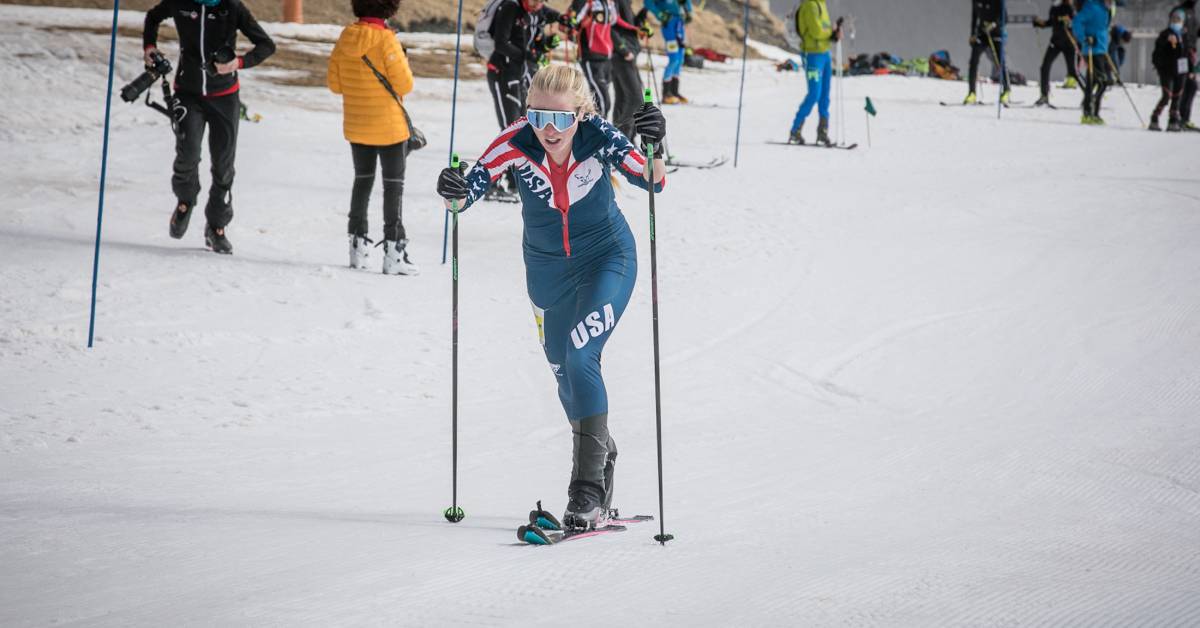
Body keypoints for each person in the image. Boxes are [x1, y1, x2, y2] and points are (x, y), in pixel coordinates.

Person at [435, 65, 667, 529]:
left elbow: (651, 180)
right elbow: (465, 195)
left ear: (580, 114)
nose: (549, 129)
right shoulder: (515, 140)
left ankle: (586, 491)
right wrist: (451, 190)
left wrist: (655, 144)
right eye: (539, 116)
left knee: (581, 356)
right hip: (546, 273)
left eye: (561, 118)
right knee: (564, 373)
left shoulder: (599, 137)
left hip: (607, 259)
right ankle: (602, 452)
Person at [143, 0, 275, 254]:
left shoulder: (232, 7)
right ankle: (185, 201)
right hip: (187, 93)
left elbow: (266, 45)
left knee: (224, 166)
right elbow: (153, 17)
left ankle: (216, 226)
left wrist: (238, 63)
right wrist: (149, 47)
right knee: (188, 154)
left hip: (225, 96)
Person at [327, 0, 418, 274]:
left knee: (362, 182)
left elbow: (335, 84)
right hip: (389, 127)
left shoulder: (346, 37)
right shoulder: (387, 40)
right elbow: (405, 84)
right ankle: (394, 252)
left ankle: (357, 247)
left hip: (357, 124)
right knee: (393, 187)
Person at [485, 0, 565, 200]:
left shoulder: (538, 12)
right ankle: (491, 181)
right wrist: (528, 55)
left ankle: (515, 181)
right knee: (510, 129)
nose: (538, 4)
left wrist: (546, 43)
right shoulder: (510, 8)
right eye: (534, 0)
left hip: (521, 75)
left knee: (524, 127)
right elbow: (501, 43)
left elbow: (551, 21)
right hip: (502, 73)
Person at [568, 0, 635, 118]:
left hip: (606, 57)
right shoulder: (588, 2)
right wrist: (572, 26)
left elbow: (615, 21)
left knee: (599, 100)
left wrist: (636, 30)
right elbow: (571, 21)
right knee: (603, 102)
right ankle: (598, 127)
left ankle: (591, 125)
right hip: (591, 56)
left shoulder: (609, 3)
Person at [788, 0, 841, 145]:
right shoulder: (810, 4)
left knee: (824, 95)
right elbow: (816, 31)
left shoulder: (821, 3)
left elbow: (824, 28)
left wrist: (834, 33)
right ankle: (795, 131)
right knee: (814, 94)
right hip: (812, 55)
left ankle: (822, 133)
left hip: (824, 54)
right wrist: (831, 33)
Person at [610, 0, 648, 141]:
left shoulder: (625, 2)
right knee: (635, 100)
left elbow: (628, 24)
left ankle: (623, 140)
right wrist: (623, 49)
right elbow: (609, 26)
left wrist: (641, 19)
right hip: (621, 55)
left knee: (623, 98)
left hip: (626, 53)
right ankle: (622, 140)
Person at [644, 0, 694, 104]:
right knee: (674, 59)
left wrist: (689, 11)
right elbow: (648, 2)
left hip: (679, 22)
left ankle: (674, 92)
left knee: (680, 59)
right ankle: (666, 93)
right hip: (669, 23)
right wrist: (659, 14)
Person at [965, 0, 1011, 106]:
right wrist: (972, 34)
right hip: (982, 34)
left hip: (996, 34)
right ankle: (972, 93)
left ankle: (1006, 91)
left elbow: (1005, 18)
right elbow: (974, 17)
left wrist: (993, 25)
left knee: (1000, 62)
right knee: (973, 60)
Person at [1033, 0, 1079, 107]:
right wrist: (1040, 23)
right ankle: (1044, 95)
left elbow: (1076, 21)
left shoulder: (1070, 7)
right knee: (1044, 67)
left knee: (1072, 72)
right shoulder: (1054, 7)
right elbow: (1051, 22)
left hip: (1069, 43)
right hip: (1056, 43)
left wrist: (1069, 22)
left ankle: (1089, 95)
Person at [1074, 0, 1113, 125]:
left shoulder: (1106, 10)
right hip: (1092, 50)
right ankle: (1089, 111)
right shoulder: (1092, 6)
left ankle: (1092, 113)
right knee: (1102, 81)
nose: (1111, 2)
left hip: (1101, 49)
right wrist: (1084, 38)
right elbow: (1077, 21)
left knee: (1093, 82)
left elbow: (1102, 29)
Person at [1151, 10, 1191, 132]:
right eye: (1174, 19)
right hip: (1167, 70)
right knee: (1166, 96)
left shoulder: (1184, 35)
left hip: (1181, 70)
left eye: (1178, 19)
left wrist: (1191, 68)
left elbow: (1187, 53)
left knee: (1177, 97)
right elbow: (1156, 53)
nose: (1176, 21)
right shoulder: (1165, 34)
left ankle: (1173, 121)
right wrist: (1166, 42)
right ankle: (1154, 118)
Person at [1172, 0, 1198, 130]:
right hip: (1181, 55)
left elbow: (1194, 32)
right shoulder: (1180, 11)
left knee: (1191, 86)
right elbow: (1174, 31)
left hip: (1190, 55)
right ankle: (1177, 118)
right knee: (1184, 85)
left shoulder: (1192, 12)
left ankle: (1185, 119)